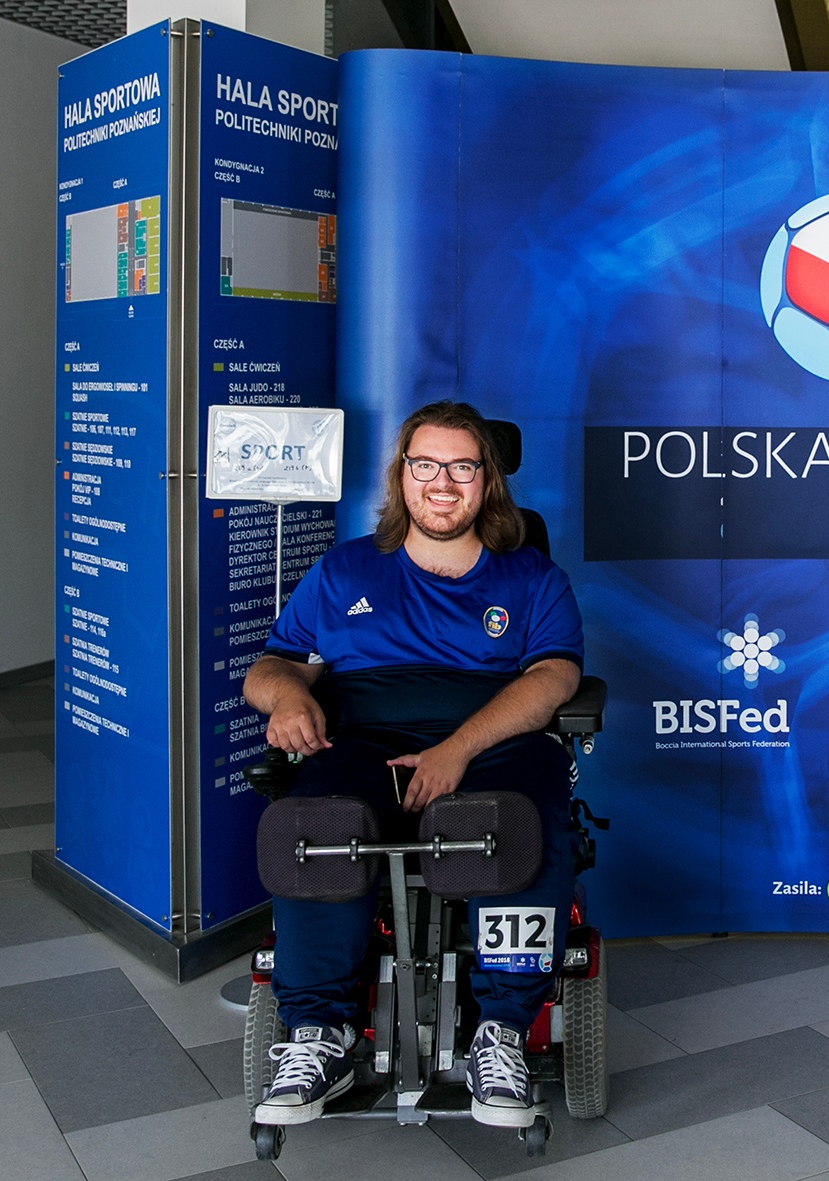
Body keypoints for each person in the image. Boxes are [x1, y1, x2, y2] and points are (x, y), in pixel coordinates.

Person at [242, 400, 583, 1129]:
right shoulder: (345, 570)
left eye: (462, 467)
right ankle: (319, 1033)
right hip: (365, 738)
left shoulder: (532, 577)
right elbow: (272, 665)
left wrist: (456, 749)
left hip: (494, 741)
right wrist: (288, 697)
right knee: (317, 819)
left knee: (509, 818)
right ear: (402, 475)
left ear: (487, 480)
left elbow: (554, 678)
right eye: (426, 465)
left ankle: (502, 1032)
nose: (442, 483)